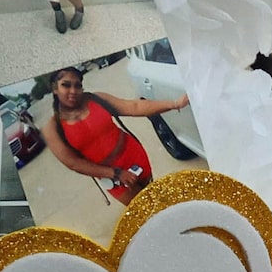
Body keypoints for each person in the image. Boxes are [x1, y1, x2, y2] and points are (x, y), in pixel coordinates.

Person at [37, 65, 187, 207]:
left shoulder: (97, 99)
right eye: (66, 85)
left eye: (78, 85)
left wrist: (174, 104)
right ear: (55, 88)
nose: (73, 91)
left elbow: (134, 107)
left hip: (133, 155)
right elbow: (74, 163)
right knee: (143, 209)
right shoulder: (52, 128)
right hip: (107, 173)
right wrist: (115, 174)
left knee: (153, 192)